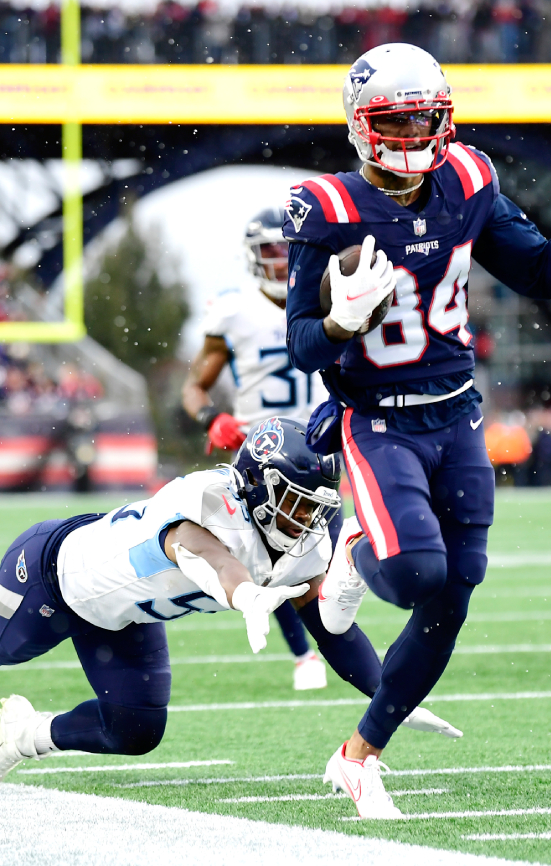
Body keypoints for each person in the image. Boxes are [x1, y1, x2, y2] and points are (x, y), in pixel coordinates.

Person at [282, 43, 551, 817]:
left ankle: (360, 756)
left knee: (454, 597)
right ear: (361, 125)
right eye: (396, 119)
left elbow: (544, 274)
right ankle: (355, 553)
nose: (413, 133)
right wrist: (339, 320)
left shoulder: (467, 179)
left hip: (457, 413)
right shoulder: (325, 208)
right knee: (412, 578)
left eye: (425, 117)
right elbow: (301, 344)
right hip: (374, 420)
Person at [0, 418, 460, 785]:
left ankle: (27, 735)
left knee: (136, 730)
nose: (309, 518)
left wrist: (392, 697)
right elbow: (190, 545)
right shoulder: (205, 496)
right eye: (297, 502)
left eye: (317, 506)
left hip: (124, 614)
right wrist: (244, 592)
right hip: (56, 575)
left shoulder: (300, 543)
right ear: (257, 486)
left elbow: (334, 635)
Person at [182, 207, 330, 691]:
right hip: (261, 449)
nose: (282, 259)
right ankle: (305, 654)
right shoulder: (234, 309)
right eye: (271, 249)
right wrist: (213, 418)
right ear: (253, 256)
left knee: (327, 547)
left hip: (322, 438)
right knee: (272, 558)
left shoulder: (327, 295)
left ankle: (329, 635)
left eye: (287, 247)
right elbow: (193, 388)